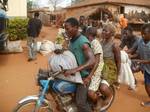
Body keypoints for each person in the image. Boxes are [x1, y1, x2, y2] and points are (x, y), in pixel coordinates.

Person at [64, 17, 95, 112]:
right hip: (75, 76)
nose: (66, 31)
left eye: (67, 28)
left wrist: (75, 69)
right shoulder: (72, 40)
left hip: (83, 77)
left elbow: (92, 61)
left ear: (76, 27)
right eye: (65, 28)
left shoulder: (83, 42)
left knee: (80, 103)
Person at [86, 27, 113, 111]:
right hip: (91, 68)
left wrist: (90, 75)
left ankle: (99, 100)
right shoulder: (92, 42)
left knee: (90, 93)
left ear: (89, 35)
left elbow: (97, 62)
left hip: (97, 70)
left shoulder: (95, 43)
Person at [132, 24, 150, 106]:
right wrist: (130, 56)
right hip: (147, 69)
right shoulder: (140, 41)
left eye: (145, 34)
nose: (142, 35)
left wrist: (139, 61)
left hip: (146, 64)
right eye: (141, 33)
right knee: (147, 86)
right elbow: (138, 53)